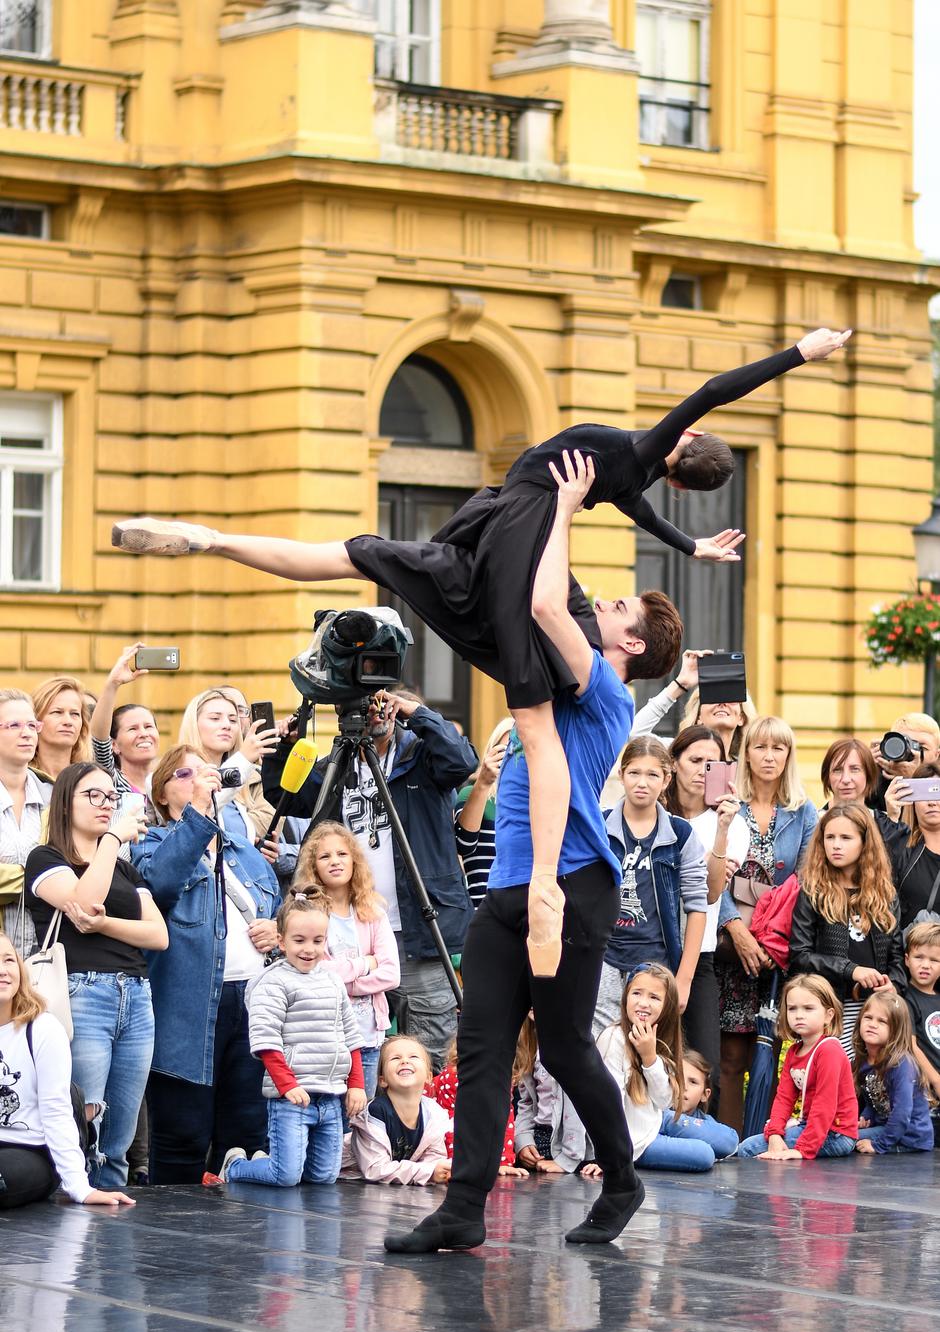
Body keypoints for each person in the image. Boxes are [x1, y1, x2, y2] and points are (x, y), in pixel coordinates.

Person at [112, 330, 849, 962]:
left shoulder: (642, 452)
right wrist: (688, 546)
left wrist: (800, 353)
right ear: (685, 481)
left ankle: (211, 541)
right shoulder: (638, 470)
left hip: (502, 526)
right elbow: (642, 510)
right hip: (515, 551)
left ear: (683, 449)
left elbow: (717, 388)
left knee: (354, 553)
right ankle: (540, 884)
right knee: (534, 707)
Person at [381, 449, 683, 1252]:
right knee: (481, 1048)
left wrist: (567, 506)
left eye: (620, 610)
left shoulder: (608, 689)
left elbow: (549, 601)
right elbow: (546, 601)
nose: (604, 608)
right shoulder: (558, 684)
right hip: (511, 888)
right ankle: (462, 1209)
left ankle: (622, 1179)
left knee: (563, 1044)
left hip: (574, 887)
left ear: (632, 647)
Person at [264, 688, 477, 1073]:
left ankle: (425, 1133)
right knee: (358, 1055)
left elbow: (462, 761)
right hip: (353, 931)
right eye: (360, 703)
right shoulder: (339, 766)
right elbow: (285, 795)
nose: (373, 712)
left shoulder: (422, 759)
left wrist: (418, 713)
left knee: (426, 1058)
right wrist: (285, 748)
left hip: (421, 933)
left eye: (381, 702)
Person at [133, 745, 281, 1184]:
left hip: (253, 1003)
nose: (200, 779)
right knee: (183, 1134)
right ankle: (170, 1245)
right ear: (161, 794)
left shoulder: (243, 850)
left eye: (206, 773)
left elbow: (278, 906)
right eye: (184, 774)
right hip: (190, 1004)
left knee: (247, 1133)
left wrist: (276, 930)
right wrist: (198, 812)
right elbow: (161, 884)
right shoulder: (151, 841)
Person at [23, 763, 168, 1187]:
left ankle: (111, 1224)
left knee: (119, 1135)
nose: (107, 804)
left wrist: (103, 925)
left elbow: (158, 935)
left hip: (136, 995)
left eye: (111, 796)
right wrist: (110, 841)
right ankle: (77, 1219)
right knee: (84, 1124)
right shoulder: (46, 858)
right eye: (94, 795)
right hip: (81, 992)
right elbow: (84, 903)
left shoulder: (123, 869)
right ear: (66, 802)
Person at [220, 894, 366, 1187]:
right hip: (293, 1098)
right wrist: (287, 1085)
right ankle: (235, 1166)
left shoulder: (333, 981)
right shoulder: (273, 982)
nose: (309, 949)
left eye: (317, 941)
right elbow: (266, 1039)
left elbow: (351, 1036)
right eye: (299, 941)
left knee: (324, 1176)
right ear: (282, 941)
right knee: (285, 1175)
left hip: (330, 1097)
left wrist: (356, 1085)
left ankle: (270, 1168)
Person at [715, 715, 817, 1132]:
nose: (769, 756)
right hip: (728, 943)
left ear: (789, 755)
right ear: (746, 753)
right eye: (760, 747)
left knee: (767, 1049)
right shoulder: (724, 800)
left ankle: (761, 1138)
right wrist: (735, 929)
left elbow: (808, 881)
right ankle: (727, 1144)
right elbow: (707, 869)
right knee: (729, 1057)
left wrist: (771, 940)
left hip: (776, 949)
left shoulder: (802, 810)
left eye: (779, 748)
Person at [0, 933, 135, 1209]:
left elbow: (56, 1111)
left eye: (9, 960)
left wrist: (79, 1188)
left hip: (31, 1151)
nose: (3, 970)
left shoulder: (42, 1029)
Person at [597, 736, 707, 1033]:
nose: (642, 782)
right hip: (602, 958)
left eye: (652, 774)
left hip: (655, 962)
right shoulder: (599, 827)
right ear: (621, 775)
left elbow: (698, 906)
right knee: (599, 1049)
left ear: (667, 778)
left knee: (648, 1050)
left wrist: (683, 980)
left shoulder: (680, 834)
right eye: (634, 773)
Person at [292, 821, 400, 1099]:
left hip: (367, 1037)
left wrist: (344, 981)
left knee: (358, 1119)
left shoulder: (372, 910)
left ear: (354, 860)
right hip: (326, 1037)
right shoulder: (307, 913)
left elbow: (391, 974)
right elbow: (315, 972)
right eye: (324, 856)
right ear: (313, 865)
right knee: (329, 1119)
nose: (335, 862)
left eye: (342, 854)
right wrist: (365, 963)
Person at [665, 725, 749, 1078]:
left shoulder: (731, 825)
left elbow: (711, 891)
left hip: (699, 954)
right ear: (674, 763)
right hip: (645, 947)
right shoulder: (648, 811)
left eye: (712, 764)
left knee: (703, 1064)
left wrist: (723, 828)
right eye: (694, 760)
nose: (702, 770)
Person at [789, 802, 905, 1052]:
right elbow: (800, 956)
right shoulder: (814, 892)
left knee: (872, 1083)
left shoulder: (885, 894)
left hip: (876, 1010)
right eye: (829, 837)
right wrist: (851, 970)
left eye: (845, 837)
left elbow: (897, 956)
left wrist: (892, 984)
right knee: (835, 1082)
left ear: (865, 843)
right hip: (832, 1008)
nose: (836, 845)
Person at [584, 962, 720, 1174]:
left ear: (667, 1006)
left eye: (654, 997)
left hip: (655, 1121)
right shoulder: (614, 1039)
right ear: (626, 997)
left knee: (727, 1141)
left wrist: (650, 1057)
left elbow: (664, 1100)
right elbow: (610, 1102)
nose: (643, 1003)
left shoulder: (661, 1040)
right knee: (704, 1154)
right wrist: (610, 1155)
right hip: (633, 1142)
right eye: (637, 993)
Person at [736, 975, 858, 1160]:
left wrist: (802, 1149)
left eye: (808, 1008)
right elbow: (784, 1097)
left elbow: (825, 1105)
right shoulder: (794, 1051)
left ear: (828, 1015)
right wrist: (775, 1133)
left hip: (836, 1134)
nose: (799, 1015)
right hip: (810, 1127)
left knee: (749, 1149)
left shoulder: (829, 1050)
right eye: (792, 1009)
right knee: (754, 1146)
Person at [178, 689, 278, 848]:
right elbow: (195, 818)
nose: (226, 725)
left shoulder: (245, 779)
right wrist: (244, 759)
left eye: (233, 720)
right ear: (194, 723)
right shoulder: (178, 774)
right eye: (215, 718)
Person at [347, 1033, 451, 1186]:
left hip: (396, 1178)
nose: (404, 1061)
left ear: (429, 1077)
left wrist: (441, 1170)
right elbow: (376, 1169)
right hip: (344, 1173)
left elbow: (433, 1157)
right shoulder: (375, 1113)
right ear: (382, 1080)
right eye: (395, 1058)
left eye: (414, 1057)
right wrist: (428, 1172)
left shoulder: (433, 1114)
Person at [0, 689, 52, 958]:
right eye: (14, 725)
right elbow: (56, 876)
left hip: (44, 955)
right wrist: (41, 879)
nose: (27, 732)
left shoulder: (54, 796)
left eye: (32, 725)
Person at [432, 1036, 526, 1178]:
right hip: (437, 1135)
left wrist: (503, 1162)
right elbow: (450, 1123)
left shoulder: (502, 1077)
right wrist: (455, 1163)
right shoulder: (454, 1076)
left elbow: (504, 1120)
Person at [852, 990, 934, 1154]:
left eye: (882, 1021)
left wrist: (878, 1145)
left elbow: (902, 1113)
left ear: (896, 1030)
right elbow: (873, 1100)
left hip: (910, 1137)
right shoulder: (862, 1062)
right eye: (868, 1018)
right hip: (887, 1129)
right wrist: (866, 1117)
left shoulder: (901, 1064)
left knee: (846, 1139)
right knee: (846, 1135)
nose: (872, 1024)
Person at [820, 737, 909, 880]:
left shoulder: (885, 822)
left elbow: (892, 876)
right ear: (827, 776)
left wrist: (892, 822)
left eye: (855, 769)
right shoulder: (812, 821)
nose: (846, 779)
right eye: (837, 770)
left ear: (868, 774)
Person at [513, 1011, 587, 1175]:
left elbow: (577, 1107)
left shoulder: (572, 1047)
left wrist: (568, 1159)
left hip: (572, 1140)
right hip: (542, 1133)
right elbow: (526, 1102)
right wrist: (523, 1140)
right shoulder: (529, 1046)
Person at [88, 644, 161, 805]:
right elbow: (99, 738)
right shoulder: (111, 779)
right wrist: (113, 684)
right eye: (132, 729)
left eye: (149, 726)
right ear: (114, 745)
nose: (143, 733)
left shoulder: (167, 784)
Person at [454, 716, 513, 907]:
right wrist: (483, 784)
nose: (513, 756)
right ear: (491, 752)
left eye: (521, 749)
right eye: (505, 749)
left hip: (525, 912)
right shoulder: (473, 793)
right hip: (483, 910)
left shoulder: (537, 800)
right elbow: (464, 845)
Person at [663, 1049, 738, 1159]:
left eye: (693, 1082)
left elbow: (727, 1143)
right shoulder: (655, 1113)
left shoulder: (707, 1122)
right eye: (678, 1078)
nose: (684, 1087)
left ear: (705, 1095)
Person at [900, 922, 940, 1127]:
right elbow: (911, 1045)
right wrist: (935, 1079)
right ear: (907, 960)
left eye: (934, 960)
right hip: (926, 1089)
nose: (926, 965)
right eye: (919, 957)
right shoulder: (906, 999)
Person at [893, 762, 940, 931]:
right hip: (909, 954)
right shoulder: (900, 851)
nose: (932, 802)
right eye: (923, 794)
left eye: (937, 793)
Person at [870, 712, 940, 811]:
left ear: (937, 755)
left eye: (921, 748)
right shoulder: (879, 778)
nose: (912, 752)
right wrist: (867, 770)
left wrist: (913, 779)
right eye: (906, 745)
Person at [31, 676, 90, 782]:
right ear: (36, 720)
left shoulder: (90, 779)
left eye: (75, 714)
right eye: (57, 712)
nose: (68, 721)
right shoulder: (20, 777)